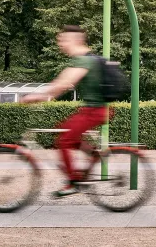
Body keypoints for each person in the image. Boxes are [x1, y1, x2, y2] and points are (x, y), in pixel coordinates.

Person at [21, 25, 109, 197]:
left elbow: (62, 84)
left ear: (76, 40)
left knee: (64, 140)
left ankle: (72, 182)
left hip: (95, 110)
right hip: (93, 109)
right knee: (64, 130)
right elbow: (61, 81)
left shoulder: (84, 60)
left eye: (63, 40)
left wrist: (36, 97)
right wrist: (46, 93)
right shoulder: (83, 59)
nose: (60, 44)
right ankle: (94, 153)